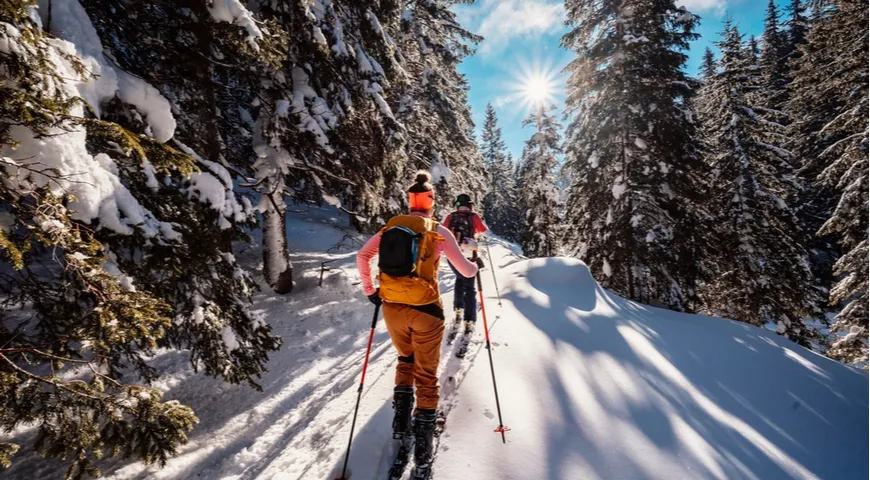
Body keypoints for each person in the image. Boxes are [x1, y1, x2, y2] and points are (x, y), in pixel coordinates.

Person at [356, 171, 478, 470]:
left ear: (409, 201)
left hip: (392, 307)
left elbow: (362, 256)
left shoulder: (390, 227)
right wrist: (476, 264)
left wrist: (372, 291)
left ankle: (400, 423)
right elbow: (465, 271)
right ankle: (423, 446)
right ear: (431, 202)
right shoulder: (437, 231)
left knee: (405, 360)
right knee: (426, 374)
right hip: (426, 310)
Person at [442, 193, 488, 336]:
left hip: (453, 254)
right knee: (469, 286)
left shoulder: (450, 217)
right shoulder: (473, 216)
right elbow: (483, 231)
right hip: (469, 255)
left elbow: (444, 232)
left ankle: (458, 308)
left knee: (459, 279)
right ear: (469, 204)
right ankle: (469, 319)